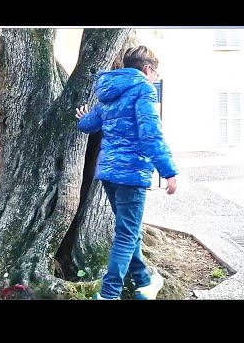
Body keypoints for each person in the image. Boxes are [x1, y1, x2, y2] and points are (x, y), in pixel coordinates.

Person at [75, 45, 178, 299]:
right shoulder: (144, 89)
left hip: (109, 173)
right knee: (126, 234)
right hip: (131, 173)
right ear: (147, 69)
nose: (155, 77)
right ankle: (109, 294)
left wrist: (83, 117)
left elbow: (89, 125)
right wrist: (168, 171)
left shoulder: (109, 91)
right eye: (155, 72)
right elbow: (150, 134)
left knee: (129, 231)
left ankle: (144, 282)